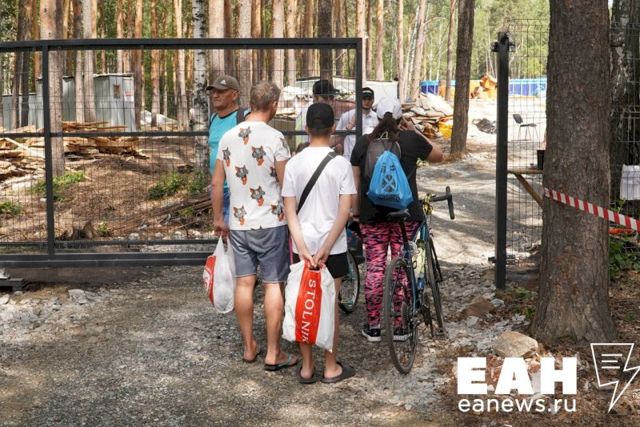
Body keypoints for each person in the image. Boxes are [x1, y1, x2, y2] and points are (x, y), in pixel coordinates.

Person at [212, 81, 297, 370]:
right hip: (271, 222)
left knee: (244, 283)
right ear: (273, 105)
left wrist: (218, 218)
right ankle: (274, 352)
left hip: (238, 223)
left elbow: (217, 182)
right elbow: (286, 184)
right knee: (273, 283)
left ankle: (249, 346)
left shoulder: (228, 137)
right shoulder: (276, 138)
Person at [350, 97, 444, 342]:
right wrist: (415, 131)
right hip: (406, 215)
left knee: (375, 267)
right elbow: (439, 155)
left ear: (377, 117)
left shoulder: (363, 144)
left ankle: (373, 326)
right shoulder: (410, 139)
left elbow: (355, 184)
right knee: (403, 266)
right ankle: (401, 325)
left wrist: (356, 214)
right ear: (401, 117)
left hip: (372, 215)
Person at [282, 102, 357, 384]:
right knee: (329, 305)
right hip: (332, 247)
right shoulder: (341, 164)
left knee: (304, 301)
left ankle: (306, 366)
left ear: (306, 128)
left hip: (301, 245)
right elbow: (345, 210)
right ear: (333, 127)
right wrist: (327, 246)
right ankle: (330, 366)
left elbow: (289, 210)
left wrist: (302, 247)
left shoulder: (293, 163)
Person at [207, 74, 246, 223]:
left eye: (221, 92)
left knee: (236, 233)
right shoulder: (213, 118)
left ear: (234, 95)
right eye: (214, 92)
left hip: (237, 190)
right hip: (218, 190)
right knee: (222, 231)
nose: (215, 95)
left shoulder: (244, 117)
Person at [336, 87, 379, 161]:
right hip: (350, 159)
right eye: (364, 99)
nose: (367, 101)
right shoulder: (347, 116)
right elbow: (337, 137)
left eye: (369, 99)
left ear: (373, 100)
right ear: (358, 100)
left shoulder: (377, 118)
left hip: (369, 160)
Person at [295, 79, 339, 147]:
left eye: (332, 98)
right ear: (317, 97)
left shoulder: (313, 109)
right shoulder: (311, 113)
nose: (332, 102)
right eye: (329, 99)